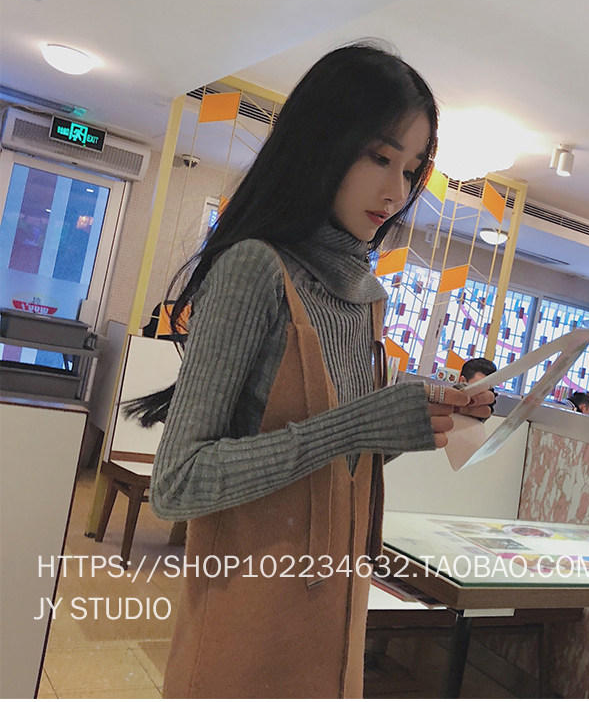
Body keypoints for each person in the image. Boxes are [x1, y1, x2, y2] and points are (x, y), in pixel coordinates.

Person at [124, 42, 493, 698]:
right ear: (324, 142)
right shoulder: (254, 269)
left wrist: (413, 421)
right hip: (249, 628)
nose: (396, 192)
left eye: (412, 169)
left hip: (339, 616)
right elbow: (176, 485)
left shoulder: (366, 295)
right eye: (379, 157)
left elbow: (339, 460)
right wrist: (356, 425)